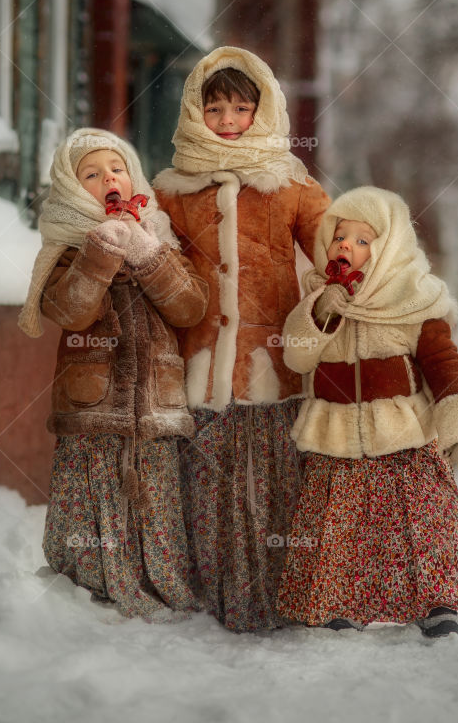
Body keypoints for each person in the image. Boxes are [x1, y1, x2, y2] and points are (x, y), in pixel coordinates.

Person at [153, 46, 331, 632]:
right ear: (193, 110)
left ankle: (280, 596)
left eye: (241, 108)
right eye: (215, 108)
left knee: (271, 490)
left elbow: (337, 252)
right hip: (200, 362)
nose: (228, 122)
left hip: (271, 365)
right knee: (205, 487)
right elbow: (157, 265)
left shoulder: (290, 186)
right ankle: (211, 595)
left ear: (264, 109)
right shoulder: (174, 190)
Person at [275, 186, 458, 638]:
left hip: (403, 436)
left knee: (421, 525)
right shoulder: (317, 294)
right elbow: (297, 358)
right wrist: (319, 312)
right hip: (335, 435)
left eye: (362, 239)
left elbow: (443, 363)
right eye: (340, 237)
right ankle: (343, 601)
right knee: (343, 528)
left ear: (389, 245)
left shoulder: (415, 297)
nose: (347, 247)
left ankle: (438, 601)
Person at [18, 128, 208, 620]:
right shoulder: (66, 244)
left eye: (117, 168)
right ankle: (89, 585)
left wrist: (145, 252)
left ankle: (159, 579)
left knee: (156, 496)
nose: (109, 178)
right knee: (96, 494)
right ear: (71, 187)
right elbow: (71, 311)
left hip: (156, 399)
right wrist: (100, 251)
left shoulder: (159, 235)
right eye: (92, 173)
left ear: (133, 174)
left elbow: (190, 307)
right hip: (94, 403)